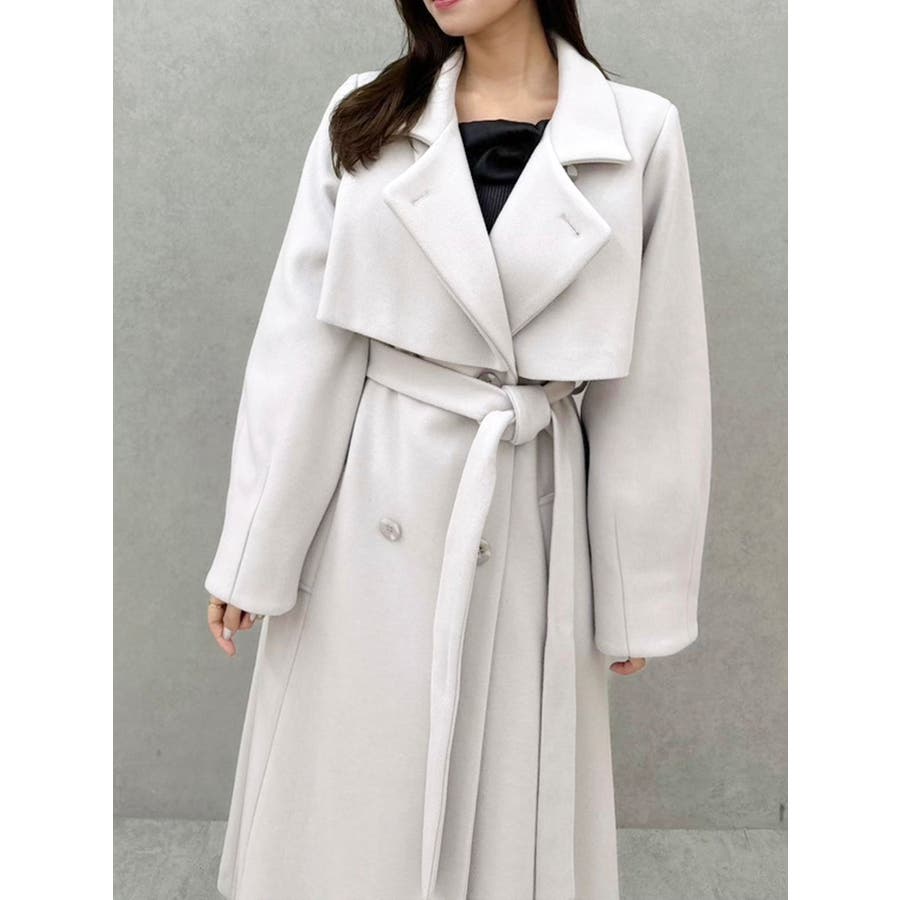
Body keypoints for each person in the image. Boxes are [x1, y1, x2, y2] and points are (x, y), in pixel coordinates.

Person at [204, 2, 711, 899]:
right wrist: (255, 550)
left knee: (506, 800)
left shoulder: (636, 134)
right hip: (372, 503)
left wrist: (638, 593)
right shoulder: (368, 114)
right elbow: (305, 342)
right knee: (352, 798)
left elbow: (656, 383)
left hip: (526, 508)